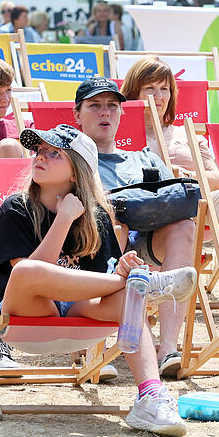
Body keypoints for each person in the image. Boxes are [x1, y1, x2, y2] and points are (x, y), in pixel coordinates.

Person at [0, 123, 196, 436]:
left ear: (76, 173)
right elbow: (35, 276)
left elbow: (97, 286)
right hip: (23, 316)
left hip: (77, 313)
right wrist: (63, 219)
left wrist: (120, 270)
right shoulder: (16, 208)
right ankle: (144, 285)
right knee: (27, 271)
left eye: (54, 152)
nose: (40, 157)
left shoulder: (97, 216)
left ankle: (151, 397)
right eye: (39, 150)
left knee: (129, 297)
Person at [73, 78, 196, 378]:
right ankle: (95, 348)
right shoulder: (69, 158)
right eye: (95, 106)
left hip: (143, 245)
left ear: (121, 113)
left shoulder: (144, 158)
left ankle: (167, 347)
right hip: (86, 246)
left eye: (112, 107)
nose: (105, 113)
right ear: (77, 115)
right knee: (114, 220)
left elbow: (174, 200)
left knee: (183, 226)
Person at [120, 57, 219, 323]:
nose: (158, 96)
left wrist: (190, 177)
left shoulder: (187, 133)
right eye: (150, 88)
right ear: (133, 91)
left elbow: (218, 177)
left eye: (164, 89)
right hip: (146, 215)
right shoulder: (121, 134)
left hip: (192, 206)